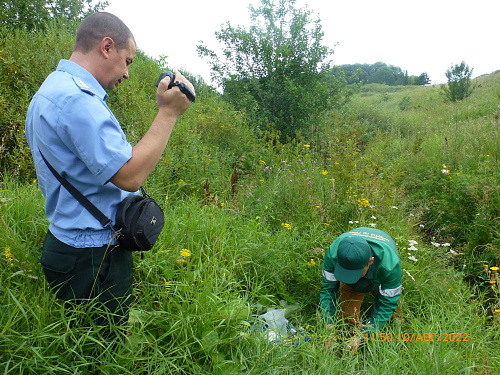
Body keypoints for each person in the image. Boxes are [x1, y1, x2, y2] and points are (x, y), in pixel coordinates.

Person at [25, 12, 193, 334]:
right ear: (106, 47)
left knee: (71, 348)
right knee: (103, 352)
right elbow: (130, 175)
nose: (127, 73)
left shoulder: (52, 88)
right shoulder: (78, 101)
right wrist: (169, 112)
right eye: (127, 60)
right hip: (93, 257)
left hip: (67, 245)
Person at [320, 227, 402, 351]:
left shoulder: (389, 266)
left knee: (393, 313)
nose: (348, 277)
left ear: (370, 261)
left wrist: (364, 334)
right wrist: (328, 324)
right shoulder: (333, 254)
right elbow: (328, 290)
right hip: (360, 278)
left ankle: (400, 329)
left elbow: (387, 303)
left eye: (355, 273)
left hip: (379, 277)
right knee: (348, 318)